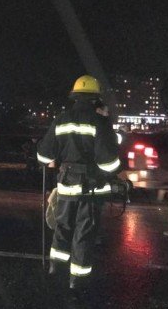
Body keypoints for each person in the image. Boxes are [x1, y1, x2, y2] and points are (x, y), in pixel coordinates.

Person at [37, 75, 121, 290]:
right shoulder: (99, 122)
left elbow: (44, 156)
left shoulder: (61, 120)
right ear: (96, 99)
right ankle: (77, 279)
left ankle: (55, 268)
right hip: (90, 189)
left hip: (66, 185)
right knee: (84, 232)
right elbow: (108, 163)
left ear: (74, 97)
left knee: (63, 227)